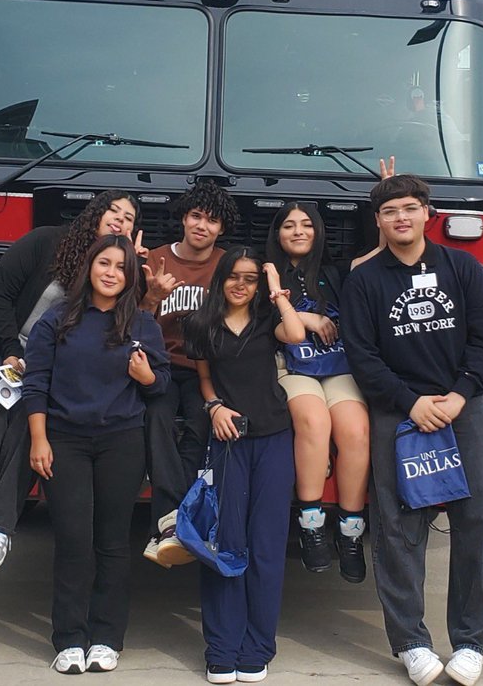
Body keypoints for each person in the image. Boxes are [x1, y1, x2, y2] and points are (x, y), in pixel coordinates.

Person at [342, 174, 483, 686]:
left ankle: (472, 641)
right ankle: (410, 641)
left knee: (474, 522)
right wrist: (411, 403)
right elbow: (362, 358)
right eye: (390, 211)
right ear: (379, 221)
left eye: (410, 208)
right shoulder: (365, 281)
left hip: (463, 408)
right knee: (398, 528)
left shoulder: (463, 267)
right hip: (398, 412)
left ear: (427, 213)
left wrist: (458, 395)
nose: (401, 218)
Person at [0, 190, 141, 572]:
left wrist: (141, 277)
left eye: (129, 217)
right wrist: (8, 349)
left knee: (34, 420)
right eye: (113, 210)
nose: (119, 219)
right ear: (94, 213)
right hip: (4, 353)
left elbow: (129, 325)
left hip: (53, 368)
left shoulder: (121, 270)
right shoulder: (46, 241)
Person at [24, 234, 169, 675]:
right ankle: (68, 638)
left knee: (111, 543)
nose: (111, 273)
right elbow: (36, 384)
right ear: (89, 268)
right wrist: (39, 439)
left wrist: (147, 375)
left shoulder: (143, 324)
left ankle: (106, 637)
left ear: (130, 278)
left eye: (121, 268)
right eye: (103, 263)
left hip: (121, 442)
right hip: (64, 441)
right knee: (72, 541)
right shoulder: (57, 319)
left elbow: (161, 385)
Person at [185, 248, 306, 684]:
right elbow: (203, 377)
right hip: (228, 442)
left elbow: (295, 335)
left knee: (267, 547)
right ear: (220, 279)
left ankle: (258, 647)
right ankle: (221, 648)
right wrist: (214, 407)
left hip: (273, 438)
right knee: (225, 544)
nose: (241, 284)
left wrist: (277, 293)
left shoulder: (268, 321)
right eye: (234, 277)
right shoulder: (200, 324)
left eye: (250, 278)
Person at [266, 202, 370, 582]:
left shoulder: (337, 272)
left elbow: (388, 248)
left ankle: (350, 532)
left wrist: (379, 200)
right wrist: (304, 316)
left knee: (355, 429)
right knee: (313, 419)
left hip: (336, 365)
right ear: (277, 233)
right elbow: (258, 322)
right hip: (288, 364)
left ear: (318, 232)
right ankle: (311, 524)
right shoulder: (267, 272)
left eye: (307, 225)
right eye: (289, 225)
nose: (298, 231)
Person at [140, 181, 239, 567]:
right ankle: (173, 524)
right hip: (159, 368)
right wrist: (151, 297)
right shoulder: (156, 259)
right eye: (196, 216)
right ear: (183, 218)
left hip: (205, 371)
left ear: (221, 230)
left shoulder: (228, 266)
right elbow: (131, 324)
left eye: (212, 221)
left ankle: (169, 524)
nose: (202, 226)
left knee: (200, 426)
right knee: (158, 420)